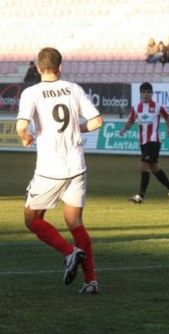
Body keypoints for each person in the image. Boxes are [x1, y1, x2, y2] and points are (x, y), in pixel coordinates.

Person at [16, 47, 103, 294]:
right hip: (76, 167)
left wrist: (25, 138)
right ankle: (91, 282)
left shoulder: (31, 92)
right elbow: (97, 121)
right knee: (75, 222)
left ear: (37, 67)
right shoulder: (73, 89)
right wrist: (78, 129)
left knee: (32, 220)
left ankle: (69, 252)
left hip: (49, 170)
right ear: (60, 67)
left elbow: (21, 126)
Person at [119, 82, 169, 204]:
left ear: (152, 93)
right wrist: (124, 129)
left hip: (154, 140)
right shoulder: (136, 107)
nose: (146, 95)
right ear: (140, 94)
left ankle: (140, 196)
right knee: (154, 168)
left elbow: (167, 117)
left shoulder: (158, 106)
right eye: (143, 92)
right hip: (143, 142)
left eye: (148, 92)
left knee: (143, 166)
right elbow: (131, 120)